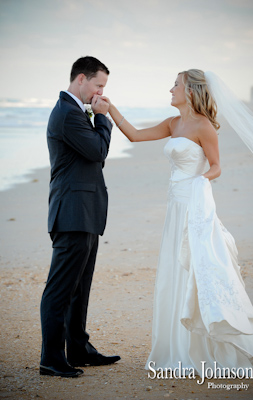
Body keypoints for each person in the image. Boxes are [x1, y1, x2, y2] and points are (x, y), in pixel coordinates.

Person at [105, 69, 253, 376]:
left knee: (193, 267)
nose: (170, 89)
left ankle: (201, 346)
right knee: (173, 268)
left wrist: (199, 183)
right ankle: (175, 345)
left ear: (189, 90)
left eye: (175, 85)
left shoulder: (204, 126)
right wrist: (110, 108)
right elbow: (135, 135)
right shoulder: (172, 123)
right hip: (173, 206)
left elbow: (216, 167)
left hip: (193, 204)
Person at [40, 56, 120, 378]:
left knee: (79, 288)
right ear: (82, 79)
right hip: (72, 212)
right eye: (99, 85)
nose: (101, 92)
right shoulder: (67, 114)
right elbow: (97, 152)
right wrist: (102, 119)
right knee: (60, 289)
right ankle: (52, 358)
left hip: (84, 211)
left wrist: (97, 116)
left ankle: (78, 348)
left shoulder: (73, 111)